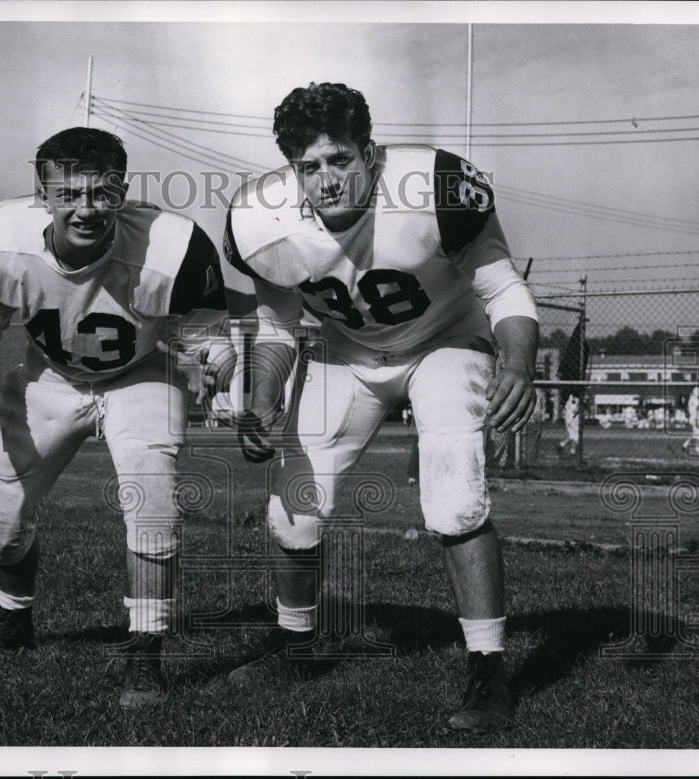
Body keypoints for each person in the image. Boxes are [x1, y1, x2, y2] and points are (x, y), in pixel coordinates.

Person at [224, 82, 538, 733]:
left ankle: (488, 669)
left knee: (454, 499)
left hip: (446, 341)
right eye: (310, 166)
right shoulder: (260, 219)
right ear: (292, 169)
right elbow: (279, 326)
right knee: (292, 507)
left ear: (373, 151)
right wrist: (261, 395)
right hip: (349, 353)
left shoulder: (433, 186)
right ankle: (297, 643)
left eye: (340, 159)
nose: (327, 179)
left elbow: (503, 286)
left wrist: (517, 360)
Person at [0, 127, 233, 708]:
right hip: (50, 377)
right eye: (69, 192)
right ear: (42, 193)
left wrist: (229, 374)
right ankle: (12, 623)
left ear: (123, 191)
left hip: (141, 373)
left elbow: (203, 337)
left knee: (152, 505)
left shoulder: (173, 246)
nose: (86, 208)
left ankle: (144, 654)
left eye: (102, 193)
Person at [682, 386, 699, 454]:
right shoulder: (696, 400)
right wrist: (698, 420)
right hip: (695, 418)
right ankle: (697, 448)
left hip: (692, 417)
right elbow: (697, 410)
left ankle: (685, 445)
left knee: (695, 434)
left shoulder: (691, 399)